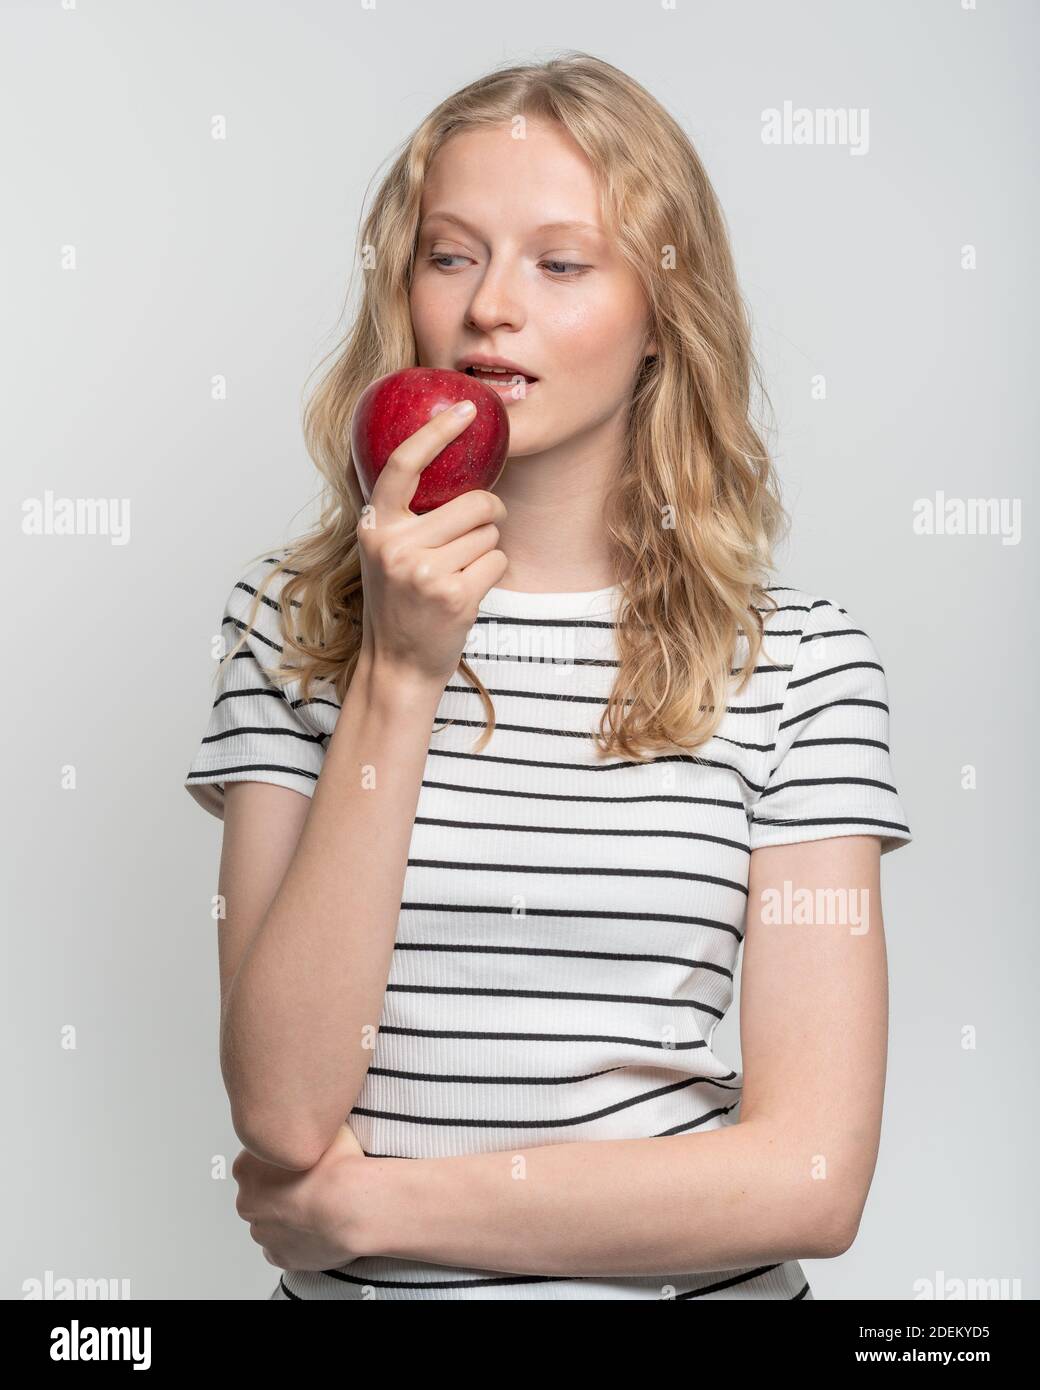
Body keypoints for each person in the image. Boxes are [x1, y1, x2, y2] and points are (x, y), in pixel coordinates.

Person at [184, 52, 912, 1301]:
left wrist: (368, 1206)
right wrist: (401, 673)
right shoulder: (291, 624)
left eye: (560, 262)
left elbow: (809, 1180)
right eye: (450, 254)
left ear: (657, 318)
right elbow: (285, 1109)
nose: (488, 311)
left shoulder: (796, 663)